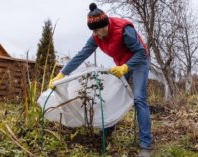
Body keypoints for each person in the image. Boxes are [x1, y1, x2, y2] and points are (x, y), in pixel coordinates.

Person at [49, 3, 152, 156]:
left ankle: (145, 143)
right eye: (93, 31)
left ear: (106, 25)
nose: (95, 34)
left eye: (97, 30)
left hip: (139, 61)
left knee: (139, 98)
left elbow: (141, 52)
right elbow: (81, 55)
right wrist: (63, 74)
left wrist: (125, 67)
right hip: (121, 63)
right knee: (114, 96)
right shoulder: (96, 37)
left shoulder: (124, 31)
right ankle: (107, 131)